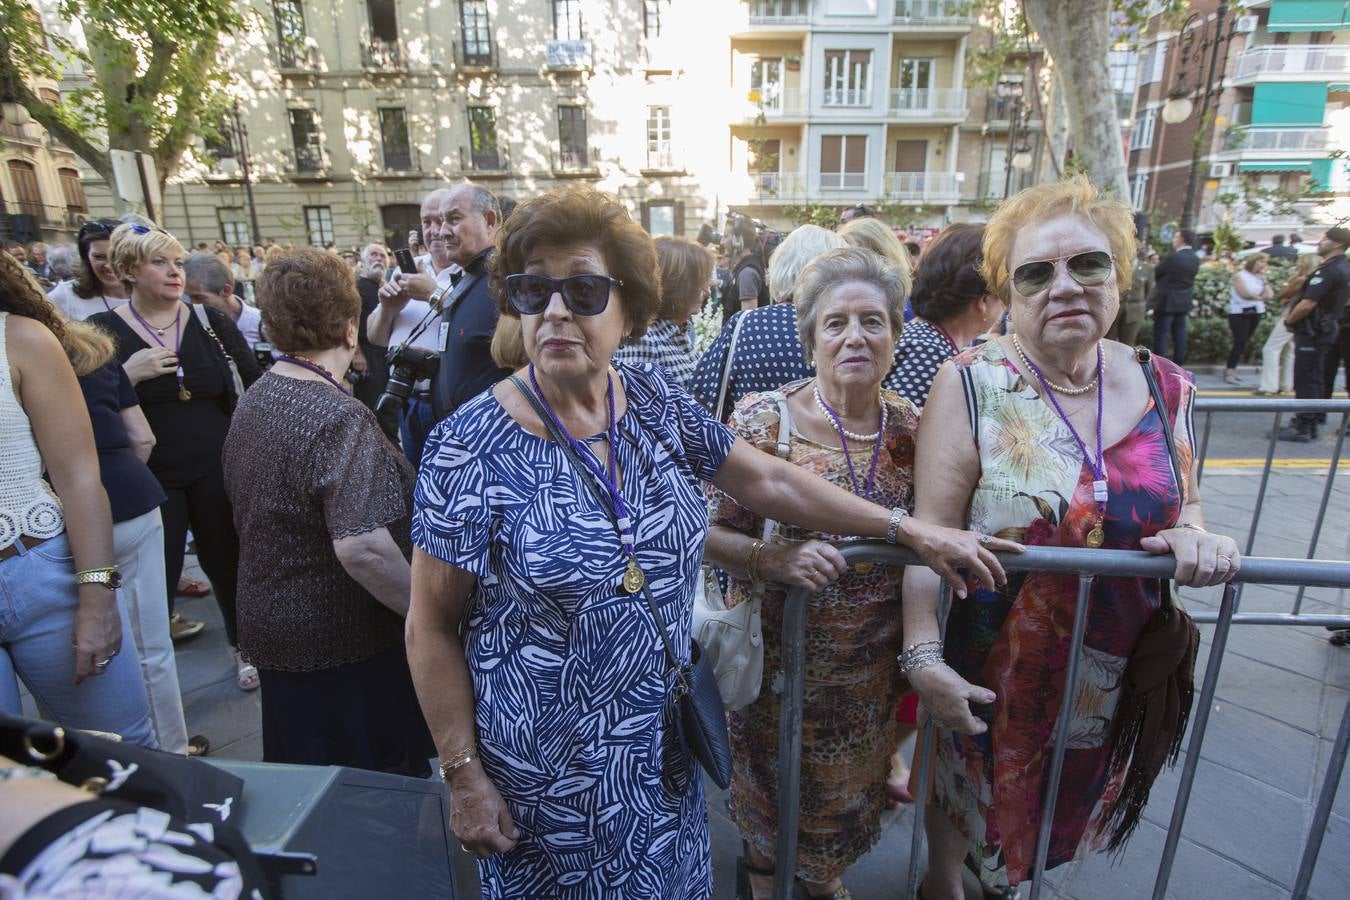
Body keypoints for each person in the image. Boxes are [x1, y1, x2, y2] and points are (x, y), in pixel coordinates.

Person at [405, 186, 1014, 900]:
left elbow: (769, 482)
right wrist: (464, 776)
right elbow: (430, 625)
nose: (557, 310)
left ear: (627, 308)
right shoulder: (466, 449)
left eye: (584, 289)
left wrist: (906, 528)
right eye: (534, 289)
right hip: (546, 784)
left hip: (663, 760)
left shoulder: (650, 396)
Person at [905, 176, 1241, 898]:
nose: (1064, 287)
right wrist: (923, 656)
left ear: (1118, 274)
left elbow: (1184, 500)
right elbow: (927, 540)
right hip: (990, 665)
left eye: (1087, 264)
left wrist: (1196, 533)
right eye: (1035, 272)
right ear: (1007, 294)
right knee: (964, 811)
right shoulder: (971, 384)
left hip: (1107, 671)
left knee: (1046, 822)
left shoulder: (1167, 386)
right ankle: (941, 884)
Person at [702, 247, 928, 899]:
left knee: (842, 808)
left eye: (872, 320)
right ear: (810, 342)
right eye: (835, 323)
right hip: (777, 673)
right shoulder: (763, 423)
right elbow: (701, 532)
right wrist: (768, 559)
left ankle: (822, 880)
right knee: (770, 808)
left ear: (894, 338)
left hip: (867, 682)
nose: (855, 335)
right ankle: (767, 881)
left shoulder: (914, 428)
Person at [223, 249, 435, 773]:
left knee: (311, 784)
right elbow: (363, 548)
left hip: (275, 627)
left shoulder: (259, 394)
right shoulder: (338, 416)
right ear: (349, 329)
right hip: (340, 641)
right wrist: (429, 618)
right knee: (368, 792)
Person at [88, 224, 261, 686]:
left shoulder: (210, 322)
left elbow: (253, 384)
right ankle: (151, 674)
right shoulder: (101, 333)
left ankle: (243, 646)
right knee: (154, 578)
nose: (173, 272)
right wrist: (128, 374)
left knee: (228, 561)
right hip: (150, 475)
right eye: (159, 262)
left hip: (217, 466)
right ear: (128, 269)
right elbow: (85, 406)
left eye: (178, 263)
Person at [0, 253, 156, 747]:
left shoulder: (20, 337)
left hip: (39, 578)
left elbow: (81, 479)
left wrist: (97, 597)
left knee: (123, 750)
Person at [75, 331, 193, 756]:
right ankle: (173, 752)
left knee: (73, 651)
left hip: (57, 517)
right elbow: (141, 438)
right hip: (131, 499)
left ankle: (114, 759)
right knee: (151, 645)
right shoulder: (91, 349)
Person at [690, 225, 847, 420]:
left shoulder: (746, 324)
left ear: (781, 264)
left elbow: (700, 395)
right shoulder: (851, 333)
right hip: (833, 446)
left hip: (744, 446)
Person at [885, 223, 1001, 408]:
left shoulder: (924, 337)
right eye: (1003, 296)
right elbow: (901, 430)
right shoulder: (930, 352)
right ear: (984, 302)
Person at [612, 235, 714, 389]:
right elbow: (639, 407)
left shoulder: (678, 331)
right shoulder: (644, 341)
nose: (707, 291)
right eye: (700, 282)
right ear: (678, 286)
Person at [1279, 227, 1350, 442]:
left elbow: (1308, 304)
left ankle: (1304, 424)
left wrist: (1289, 320)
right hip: (1326, 328)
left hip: (1314, 330)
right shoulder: (1343, 267)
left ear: (1337, 244)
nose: (1321, 241)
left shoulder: (1328, 270)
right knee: (1317, 375)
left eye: (1326, 238)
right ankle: (1313, 418)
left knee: (1306, 376)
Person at [1256, 253, 1318, 396]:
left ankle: (1269, 386)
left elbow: (1281, 293)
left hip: (1290, 316)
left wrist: (1289, 283)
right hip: (1300, 317)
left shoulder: (1301, 279)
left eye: (1300, 262)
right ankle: (1286, 384)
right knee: (1289, 350)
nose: (1298, 264)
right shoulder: (1313, 279)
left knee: (1271, 348)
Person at [354, 243, 398, 436]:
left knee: (387, 411)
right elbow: (348, 322)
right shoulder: (356, 288)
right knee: (374, 412)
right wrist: (357, 354)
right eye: (373, 255)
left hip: (386, 356)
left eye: (383, 256)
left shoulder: (385, 288)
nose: (379, 259)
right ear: (363, 260)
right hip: (368, 357)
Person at [48, 219, 131, 320]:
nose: (109, 266)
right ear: (86, 258)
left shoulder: (150, 291)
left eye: (116, 256)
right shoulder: (65, 296)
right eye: (99, 257)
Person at [184, 252, 264, 350]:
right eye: (188, 297)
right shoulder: (192, 327)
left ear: (226, 291)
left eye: (199, 298)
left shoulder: (262, 325)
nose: (193, 304)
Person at [1149, 229, 1200, 363]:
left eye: (1176, 237)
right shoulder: (1195, 258)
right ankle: (1179, 362)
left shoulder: (1174, 257)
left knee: (1161, 334)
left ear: (1182, 239)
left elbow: (1157, 272)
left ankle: (1160, 363)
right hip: (1183, 301)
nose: (1173, 240)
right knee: (1180, 333)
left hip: (1167, 301)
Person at [1224, 253, 1273, 384]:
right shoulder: (1239, 276)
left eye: (1265, 262)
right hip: (1239, 312)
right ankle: (1230, 370)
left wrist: (1264, 280)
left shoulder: (1260, 277)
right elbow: (1245, 293)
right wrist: (1259, 297)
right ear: (1254, 261)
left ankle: (1233, 368)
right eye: (1261, 261)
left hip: (1256, 312)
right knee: (1239, 341)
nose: (1263, 264)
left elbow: (1270, 294)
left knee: (1244, 342)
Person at [725, 214, 771, 324]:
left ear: (737, 241)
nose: (722, 242)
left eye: (726, 236)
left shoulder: (747, 274)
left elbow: (749, 324)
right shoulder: (745, 269)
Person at [1108, 249, 1154, 347]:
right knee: (1109, 340)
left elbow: (1148, 291)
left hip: (1135, 309)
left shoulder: (1147, 268)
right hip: (1116, 307)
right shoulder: (1115, 266)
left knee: (1129, 342)